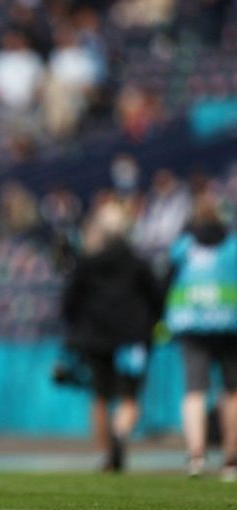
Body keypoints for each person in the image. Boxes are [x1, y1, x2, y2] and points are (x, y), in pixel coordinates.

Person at [62, 201, 163, 472]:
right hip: (132, 338)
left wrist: (76, 329)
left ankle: (107, 454)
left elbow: (69, 302)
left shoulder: (88, 263)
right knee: (130, 395)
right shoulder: (138, 264)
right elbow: (157, 298)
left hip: (96, 338)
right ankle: (120, 432)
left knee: (100, 395)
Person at [164, 194, 237, 481]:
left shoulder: (183, 247)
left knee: (194, 390)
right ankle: (231, 460)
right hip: (230, 325)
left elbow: (166, 282)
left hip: (190, 324)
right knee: (232, 391)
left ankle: (196, 456)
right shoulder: (233, 246)